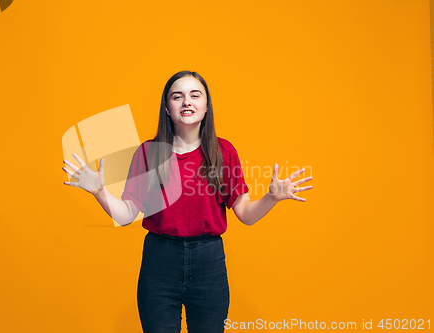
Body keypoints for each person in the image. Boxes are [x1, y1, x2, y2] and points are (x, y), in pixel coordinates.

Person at [62, 70, 313, 332]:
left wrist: (271, 198)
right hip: (159, 262)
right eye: (177, 96)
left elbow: (246, 213)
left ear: (206, 107)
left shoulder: (223, 152)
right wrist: (100, 191)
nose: (187, 102)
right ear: (167, 109)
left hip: (209, 263)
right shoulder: (148, 153)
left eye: (195, 95)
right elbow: (126, 215)